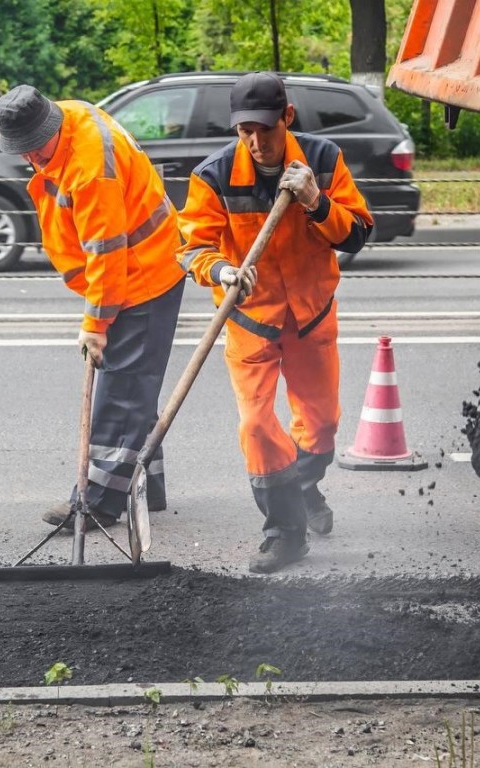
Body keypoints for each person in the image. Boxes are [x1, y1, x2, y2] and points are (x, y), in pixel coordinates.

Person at [176, 72, 373, 573]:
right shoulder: (214, 175)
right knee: (257, 427)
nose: (256, 142)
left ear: (287, 117)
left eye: (265, 129)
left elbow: (356, 234)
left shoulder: (323, 161)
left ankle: (302, 489)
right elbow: (193, 247)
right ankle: (285, 533)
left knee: (322, 425)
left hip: (311, 317)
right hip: (251, 320)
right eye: (245, 131)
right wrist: (221, 269)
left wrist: (315, 201)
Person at [0, 84, 187, 533]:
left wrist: (96, 324)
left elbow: (106, 251)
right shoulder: (71, 116)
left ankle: (97, 503)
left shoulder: (90, 168)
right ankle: (144, 487)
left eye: (35, 149)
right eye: (22, 152)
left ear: (51, 125)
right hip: (139, 268)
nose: (30, 159)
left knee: (118, 395)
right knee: (135, 389)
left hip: (139, 277)